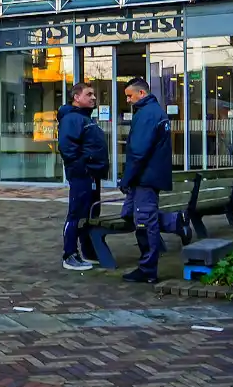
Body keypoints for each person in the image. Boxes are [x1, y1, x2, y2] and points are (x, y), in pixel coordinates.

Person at [118, 78, 191, 284]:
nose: (128, 100)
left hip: (145, 177)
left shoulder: (147, 115)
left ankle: (147, 268)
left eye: (130, 96)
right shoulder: (152, 112)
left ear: (142, 94)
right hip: (147, 175)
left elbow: (139, 151)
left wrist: (127, 178)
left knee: (144, 221)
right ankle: (175, 221)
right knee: (130, 213)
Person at [56, 82, 108, 271]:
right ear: (76, 97)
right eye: (89, 94)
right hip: (83, 176)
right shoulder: (73, 119)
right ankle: (69, 255)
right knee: (77, 214)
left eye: (94, 94)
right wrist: (83, 169)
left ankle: (88, 251)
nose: (93, 98)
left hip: (92, 176)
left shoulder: (86, 119)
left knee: (90, 213)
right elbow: (67, 148)